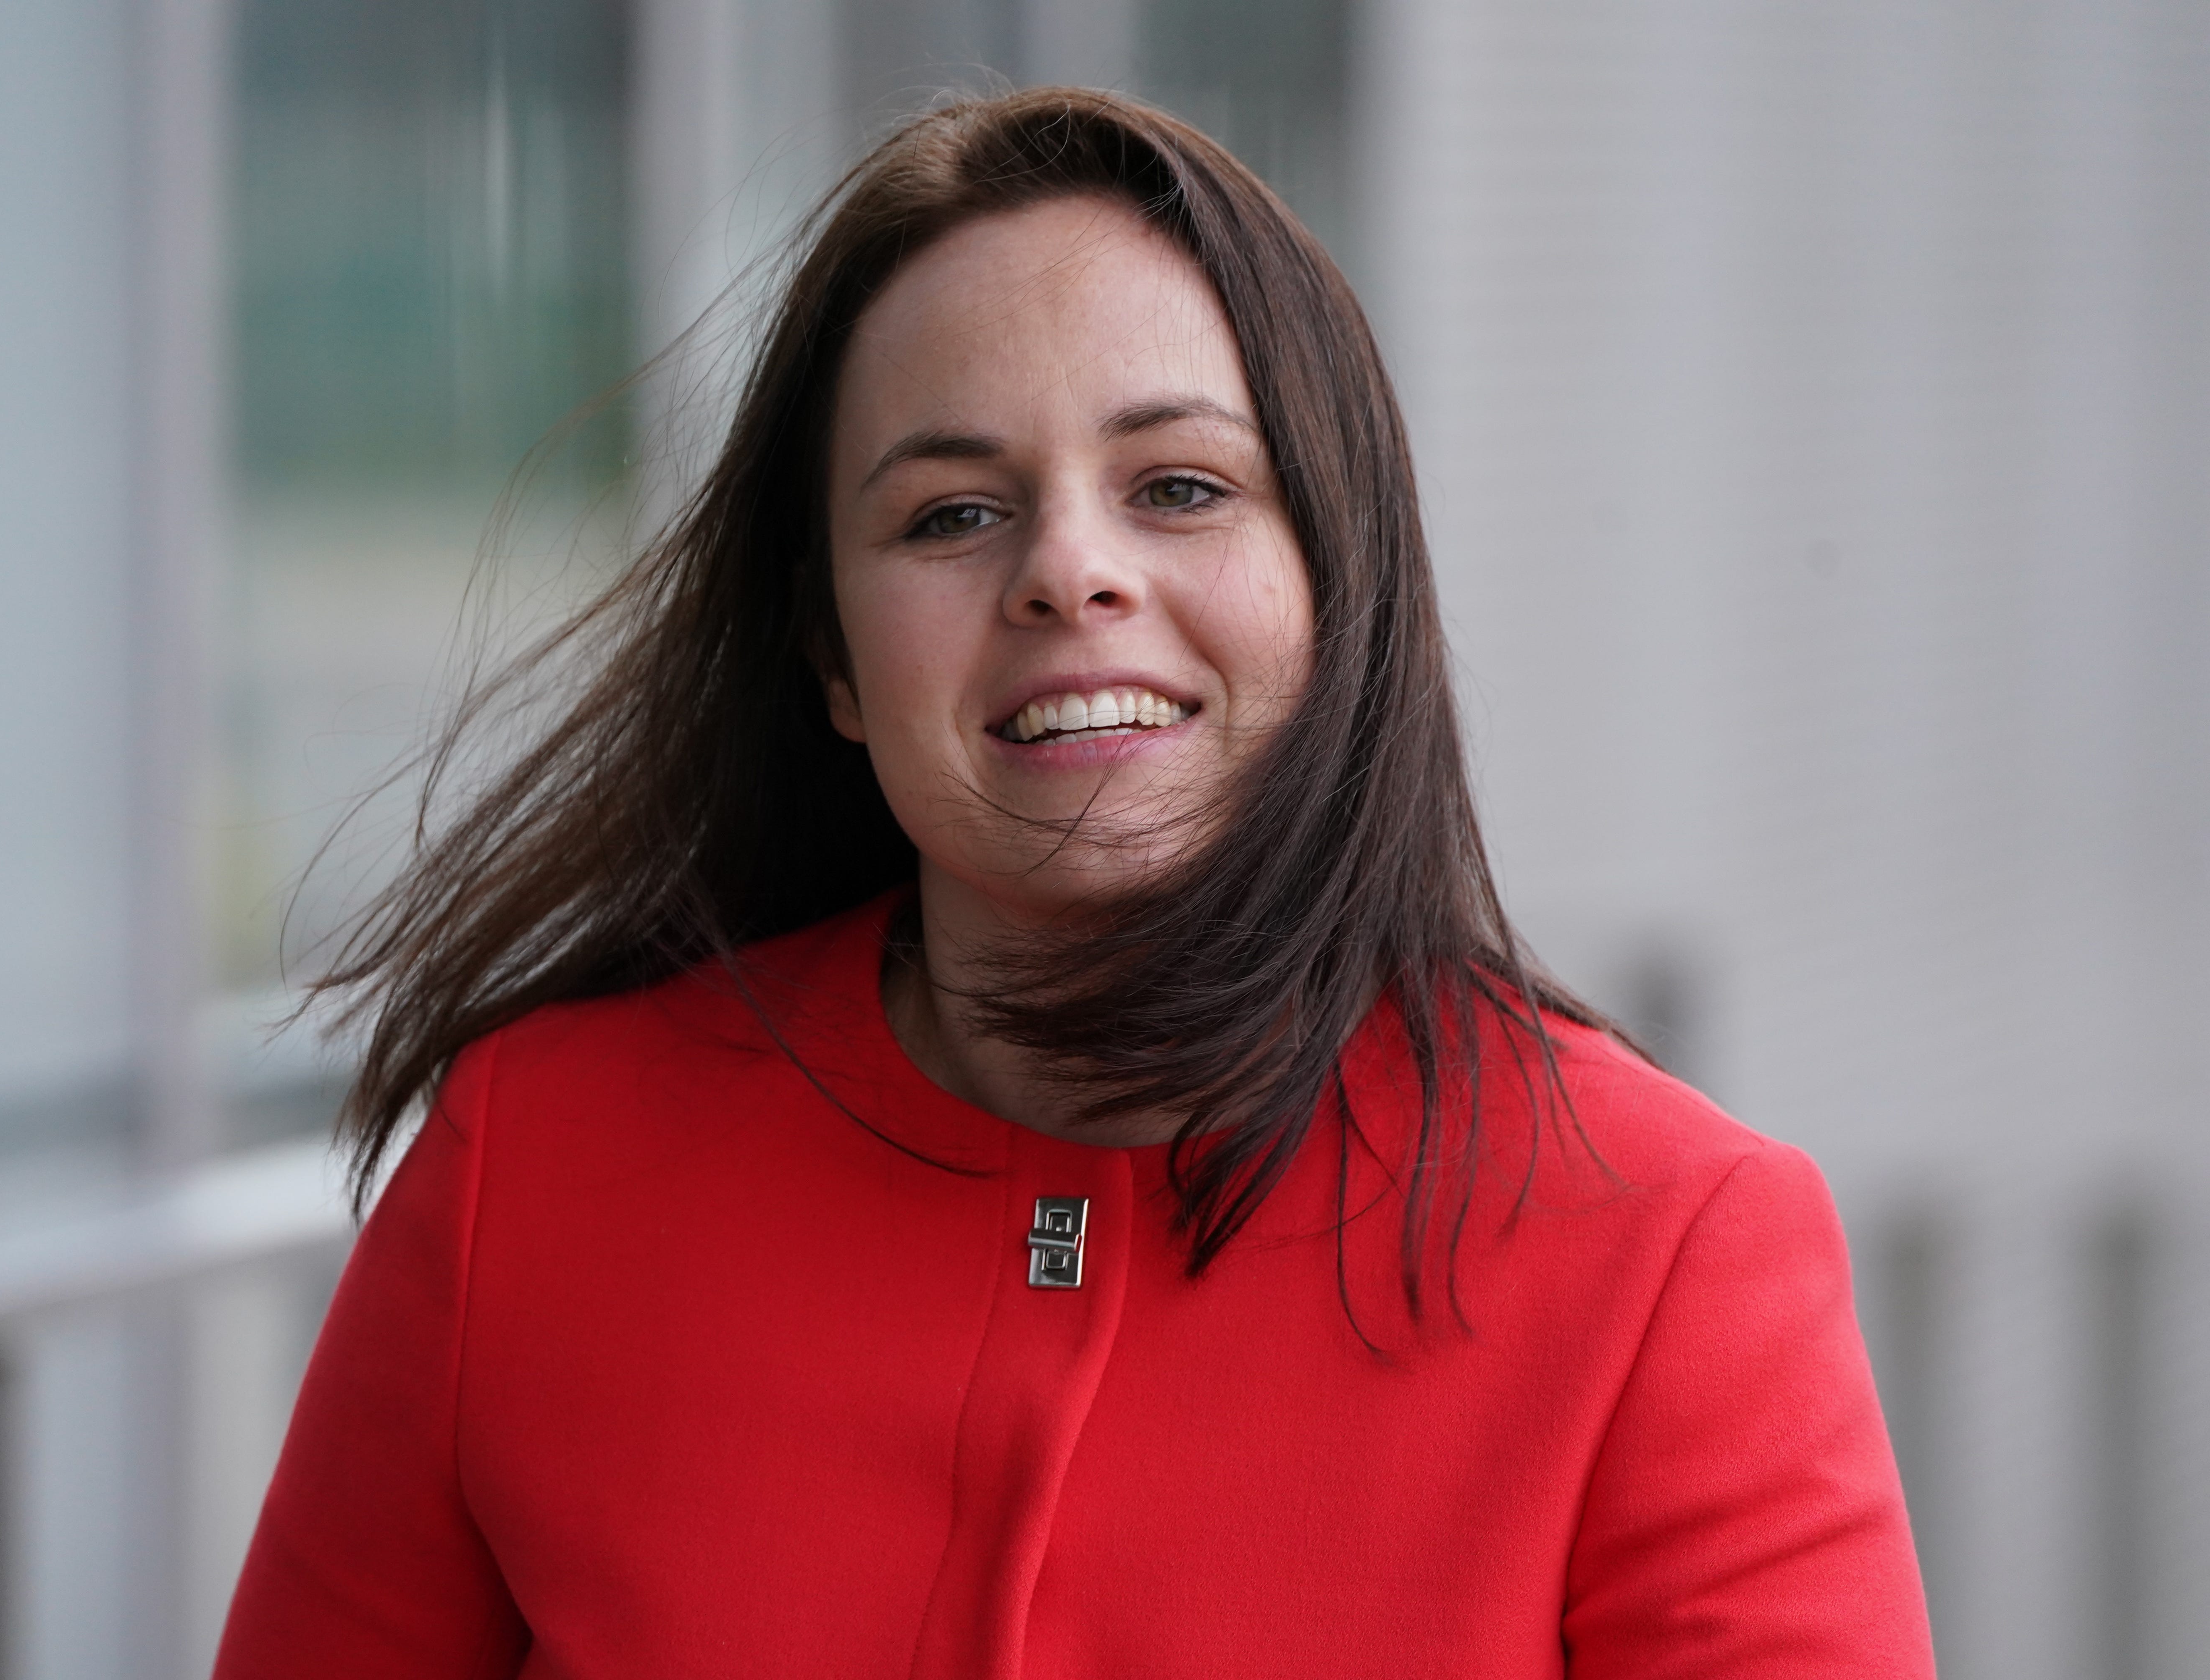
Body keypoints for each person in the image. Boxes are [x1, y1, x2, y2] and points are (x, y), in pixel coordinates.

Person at [214, 89, 1934, 1677]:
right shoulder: (537, 1165)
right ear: (829, 652)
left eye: (1181, 487)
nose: (1069, 573)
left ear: (1337, 583)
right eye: (951, 515)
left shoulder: (1664, 1247)